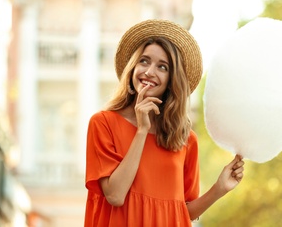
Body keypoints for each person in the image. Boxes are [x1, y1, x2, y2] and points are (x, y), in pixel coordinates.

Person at [84, 19, 244, 226]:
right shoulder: (103, 123)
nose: (150, 71)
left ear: (171, 80)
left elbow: (182, 211)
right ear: (132, 67)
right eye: (144, 61)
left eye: (162, 67)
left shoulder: (185, 139)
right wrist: (142, 130)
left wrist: (219, 189)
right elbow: (115, 195)